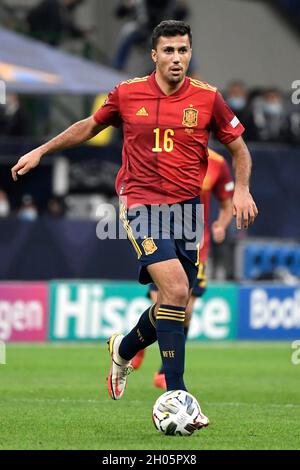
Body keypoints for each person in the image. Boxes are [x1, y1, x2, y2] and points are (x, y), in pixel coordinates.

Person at [11, 21, 258, 430]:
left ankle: (123, 349)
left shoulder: (209, 98)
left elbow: (239, 149)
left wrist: (242, 191)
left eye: (183, 50)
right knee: (178, 290)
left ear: (189, 53)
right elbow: (89, 126)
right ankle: (176, 395)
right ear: (154, 55)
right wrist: (42, 149)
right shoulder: (127, 93)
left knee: (172, 302)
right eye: (169, 51)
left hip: (186, 212)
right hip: (140, 204)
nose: (176, 58)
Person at [131, 148, 234, 388]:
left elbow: (227, 204)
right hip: (165, 239)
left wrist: (222, 223)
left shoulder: (218, 163)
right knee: (162, 302)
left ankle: (160, 368)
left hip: (198, 246)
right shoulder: (168, 152)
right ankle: (138, 345)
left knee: (185, 310)